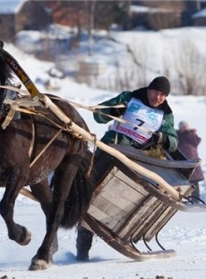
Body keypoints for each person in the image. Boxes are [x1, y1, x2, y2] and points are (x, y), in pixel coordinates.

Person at [76, 76, 178, 261]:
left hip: (138, 160)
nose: (159, 97)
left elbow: (173, 142)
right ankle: (82, 247)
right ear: (149, 89)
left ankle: (124, 230)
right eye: (156, 92)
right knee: (89, 192)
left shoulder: (166, 114)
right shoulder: (129, 98)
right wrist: (113, 110)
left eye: (163, 95)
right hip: (111, 150)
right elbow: (98, 114)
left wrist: (162, 138)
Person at [176, 121, 204, 201]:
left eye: (185, 126)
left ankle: (196, 200)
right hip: (182, 163)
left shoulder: (191, 135)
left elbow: (196, 141)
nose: (183, 128)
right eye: (182, 126)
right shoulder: (178, 136)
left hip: (193, 163)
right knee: (184, 184)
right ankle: (186, 200)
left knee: (194, 184)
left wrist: (188, 132)